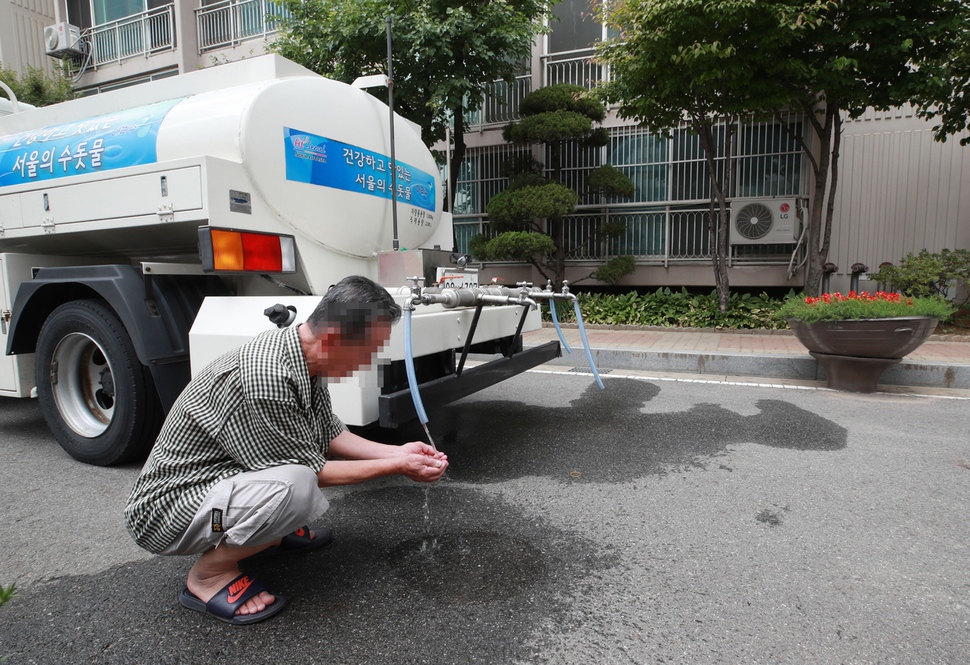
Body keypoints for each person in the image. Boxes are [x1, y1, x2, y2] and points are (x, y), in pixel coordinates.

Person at [124, 275, 448, 625]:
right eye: (370, 350)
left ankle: (269, 535)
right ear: (335, 338)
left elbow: (330, 431)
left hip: (221, 479)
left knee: (295, 485)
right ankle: (208, 576)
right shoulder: (268, 375)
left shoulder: (304, 357)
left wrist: (397, 451)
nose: (370, 362)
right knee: (296, 487)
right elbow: (312, 471)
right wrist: (398, 466)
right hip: (168, 507)